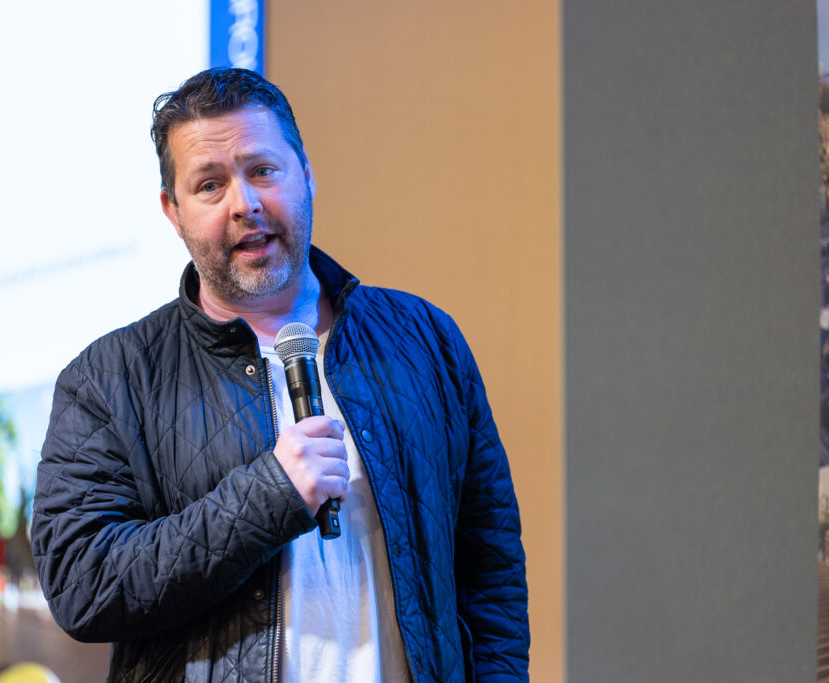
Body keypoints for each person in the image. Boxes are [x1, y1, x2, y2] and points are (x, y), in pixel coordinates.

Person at [30, 67, 528, 682]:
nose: (246, 204)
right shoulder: (108, 380)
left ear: (307, 172)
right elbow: (83, 584)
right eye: (210, 185)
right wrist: (272, 494)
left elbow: (491, 569)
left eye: (263, 170)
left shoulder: (425, 341)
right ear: (173, 211)